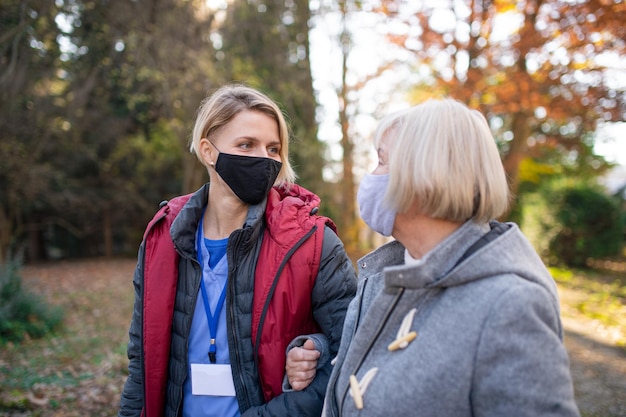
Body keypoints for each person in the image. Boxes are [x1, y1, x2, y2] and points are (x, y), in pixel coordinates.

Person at [286, 98, 581, 416]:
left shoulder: (510, 305)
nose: (371, 176)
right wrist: (320, 352)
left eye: (383, 162)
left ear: (425, 176)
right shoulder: (386, 275)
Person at [118, 83, 357, 417]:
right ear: (208, 151)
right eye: (246, 145)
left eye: (273, 149)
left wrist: (313, 350)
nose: (263, 158)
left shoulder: (312, 242)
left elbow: (353, 353)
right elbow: (142, 362)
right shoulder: (163, 237)